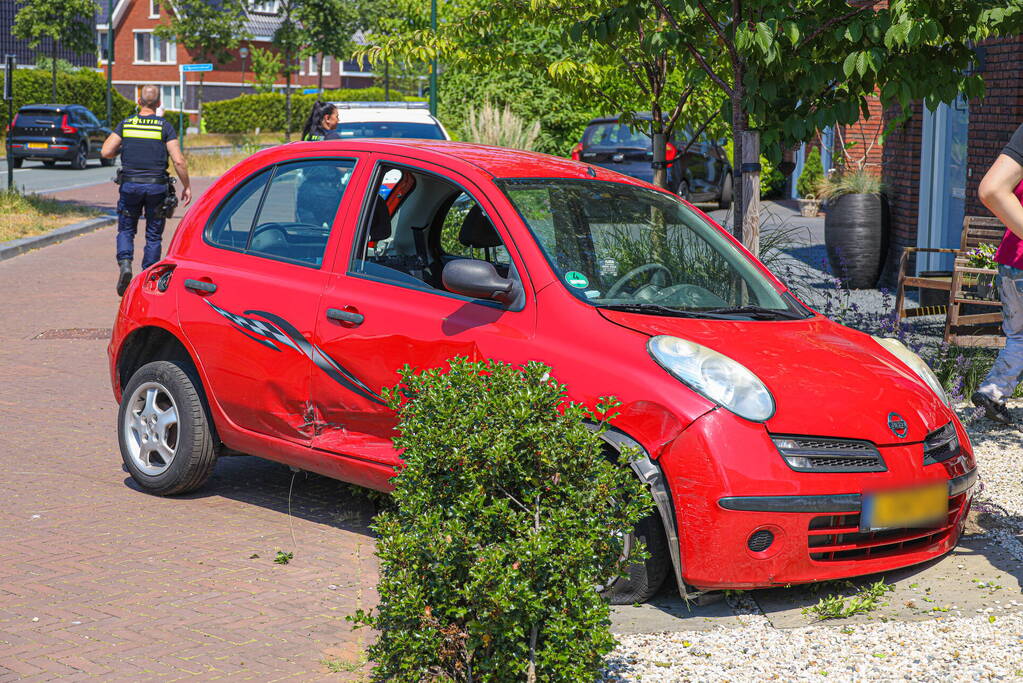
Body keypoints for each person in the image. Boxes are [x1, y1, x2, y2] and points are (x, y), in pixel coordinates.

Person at [101, 84, 192, 296]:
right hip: (156, 187)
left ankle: (125, 264)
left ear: (138, 102)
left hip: (130, 185)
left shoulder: (126, 125)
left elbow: (105, 151)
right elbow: (178, 160)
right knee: (153, 235)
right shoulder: (164, 127)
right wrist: (186, 186)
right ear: (159, 103)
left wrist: (124, 147)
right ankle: (147, 277)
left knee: (126, 229)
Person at [972, 125, 1023, 425]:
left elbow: (996, 190)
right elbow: (991, 189)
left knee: (1018, 337)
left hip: (1010, 263)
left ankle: (992, 391)